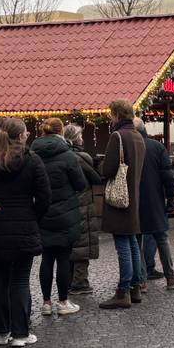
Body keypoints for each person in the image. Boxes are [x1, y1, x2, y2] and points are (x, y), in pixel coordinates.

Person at [0, 118, 51, 345]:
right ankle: (20, 333)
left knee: (1, 280)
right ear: (21, 136)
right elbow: (45, 197)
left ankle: (2, 331)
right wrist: (33, 216)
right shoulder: (32, 160)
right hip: (25, 225)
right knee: (20, 280)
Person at [31, 118, 87, 316]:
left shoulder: (32, 155)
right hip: (66, 213)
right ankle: (63, 302)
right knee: (64, 258)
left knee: (47, 258)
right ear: (61, 132)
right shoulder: (68, 155)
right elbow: (80, 184)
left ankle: (46, 303)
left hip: (42, 213)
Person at [98, 101, 147, 310]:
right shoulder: (138, 136)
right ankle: (135, 287)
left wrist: (99, 164)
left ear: (117, 115)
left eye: (111, 115)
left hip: (120, 198)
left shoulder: (117, 136)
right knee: (133, 243)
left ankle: (123, 291)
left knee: (123, 246)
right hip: (133, 196)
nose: (110, 119)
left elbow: (108, 169)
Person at [137, 119, 174, 290]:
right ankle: (170, 277)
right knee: (161, 239)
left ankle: (141, 281)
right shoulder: (156, 147)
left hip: (135, 201)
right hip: (155, 199)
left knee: (136, 240)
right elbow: (168, 177)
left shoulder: (129, 147)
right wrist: (170, 198)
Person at [63, 125, 102, 296]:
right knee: (82, 246)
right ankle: (80, 282)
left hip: (66, 206)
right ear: (77, 138)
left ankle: (69, 281)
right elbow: (96, 178)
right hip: (83, 205)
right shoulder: (81, 157)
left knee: (71, 246)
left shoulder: (61, 156)